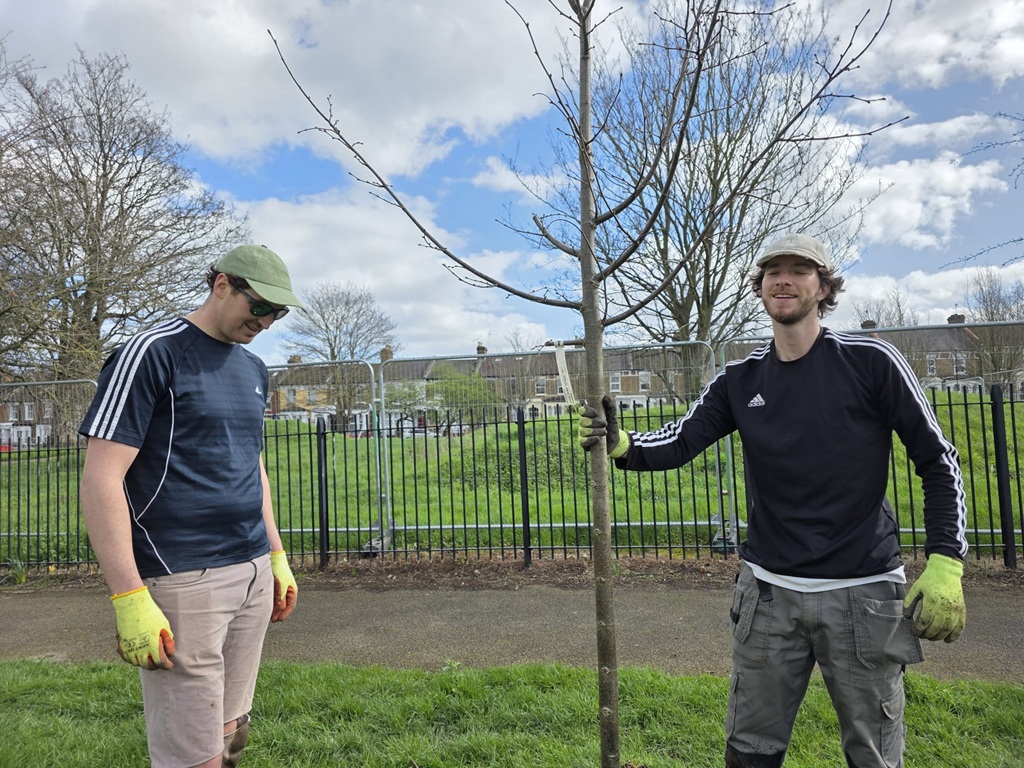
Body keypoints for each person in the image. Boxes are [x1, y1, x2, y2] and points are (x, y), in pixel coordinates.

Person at [578, 233, 968, 768]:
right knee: (749, 751)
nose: (784, 279)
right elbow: (682, 439)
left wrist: (946, 561)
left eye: (800, 270)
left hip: (863, 594)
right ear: (760, 287)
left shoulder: (871, 361)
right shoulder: (741, 379)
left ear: (824, 287)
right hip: (768, 595)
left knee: (874, 753)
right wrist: (622, 444)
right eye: (773, 271)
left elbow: (937, 459)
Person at [79, 244, 302, 768]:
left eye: (279, 312)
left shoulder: (253, 367)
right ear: (222, 284)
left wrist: (275, 556)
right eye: (260, 306)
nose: (267, 321)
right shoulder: (151, 352)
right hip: (184, 576)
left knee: (230, 730)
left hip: (250, 570)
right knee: (191, 755)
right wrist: (128, 595)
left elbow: (253, 466)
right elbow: (100, 477)